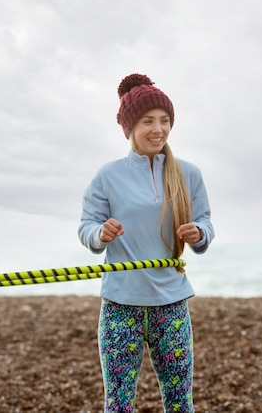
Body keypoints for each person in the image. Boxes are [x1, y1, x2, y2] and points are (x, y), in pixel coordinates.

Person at [78, 73, 214, 412]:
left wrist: (199, 234)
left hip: (172, 301)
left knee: (180, 403)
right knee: (119, 404)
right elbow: (87, 227)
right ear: (129, 128)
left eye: (165, 121)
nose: (158, 129)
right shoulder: (108, 175)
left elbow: (206, 223)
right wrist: (101, 234)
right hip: (121, 302)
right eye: (148, 121)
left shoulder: (188, 174)